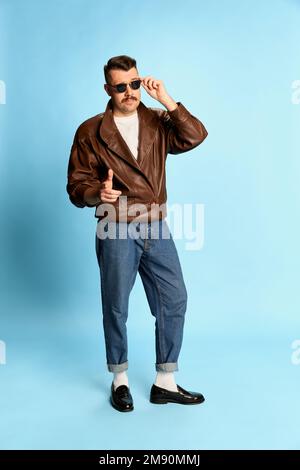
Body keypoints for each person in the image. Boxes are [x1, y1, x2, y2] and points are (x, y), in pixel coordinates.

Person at [66, 55, 208, 412]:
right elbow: (75, 185)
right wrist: (97, 193)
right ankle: (120, 379)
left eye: (134, 83)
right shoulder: (90, 130)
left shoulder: (159, 120)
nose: (129, 92)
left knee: (174, 298)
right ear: (107, 89)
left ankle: (165, 381)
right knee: (116, 305)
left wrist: (168, 101)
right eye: (120, 87)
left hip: (156, 223)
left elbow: (195, 136)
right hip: (114, 225)